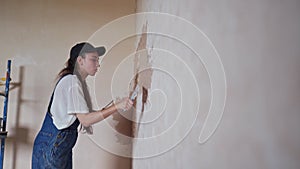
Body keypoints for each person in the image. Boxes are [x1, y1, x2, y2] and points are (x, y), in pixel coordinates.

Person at [31, 42, 133, 169]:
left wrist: (113, 106)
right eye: (93, 60)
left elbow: (85, 116)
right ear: (80, 60)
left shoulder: (73, 81)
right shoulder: (71, 81)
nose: (98, 64)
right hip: (52, 146)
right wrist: (117, 106)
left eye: (98, 60)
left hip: (57, 146)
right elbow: (86, 120)